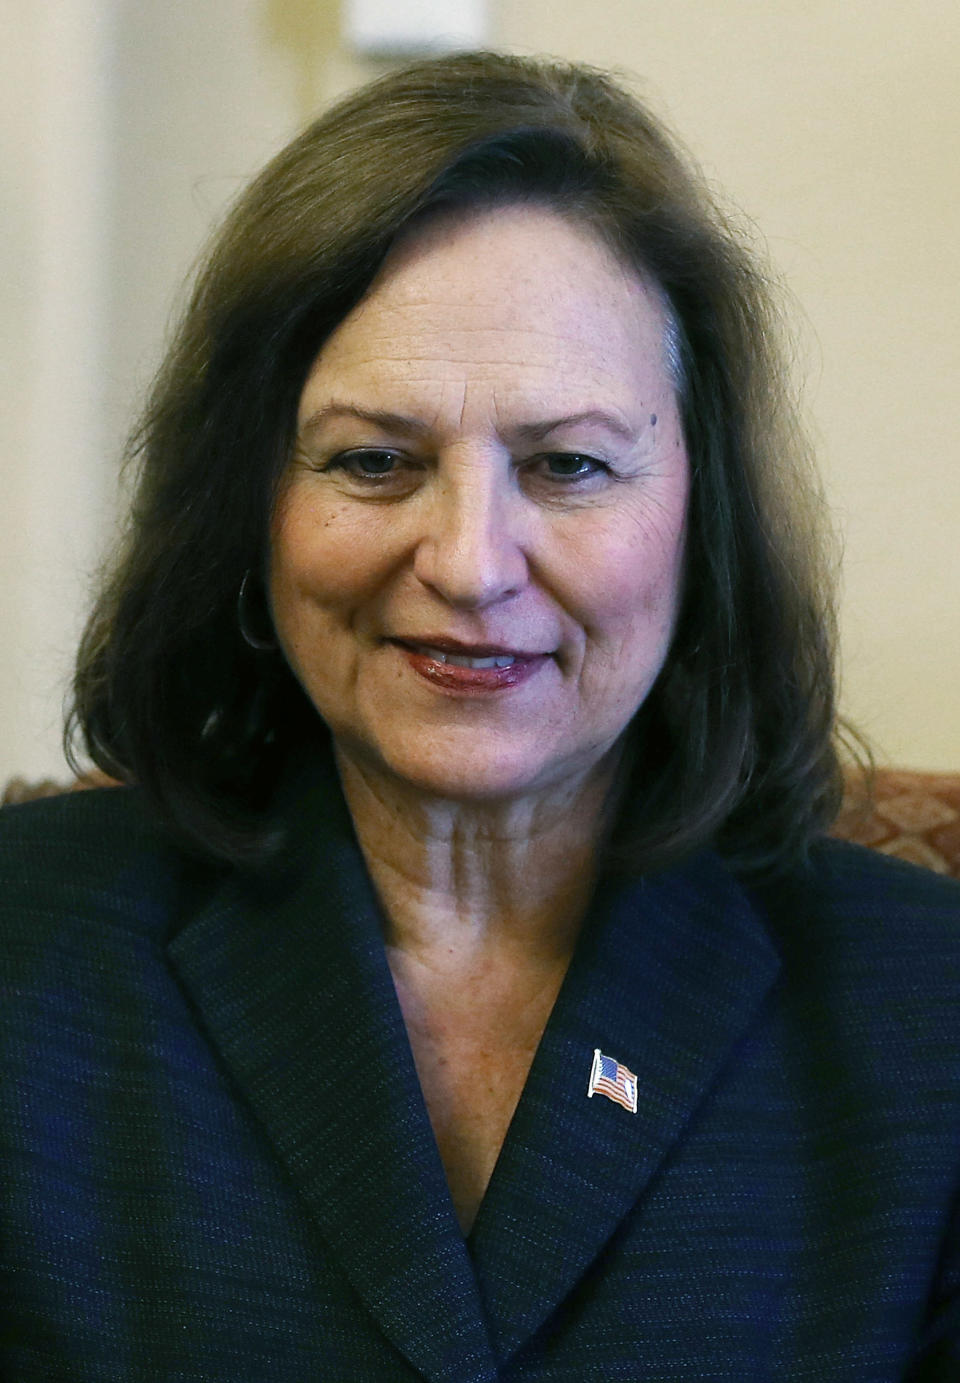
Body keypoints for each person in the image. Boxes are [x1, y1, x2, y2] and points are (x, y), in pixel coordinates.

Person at [1, 50, 958, 1383]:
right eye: (374, 460)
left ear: (703, 520)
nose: (469, 561)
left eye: (567, 464)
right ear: (249, 510)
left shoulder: (933, 1010)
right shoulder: (21, 953)